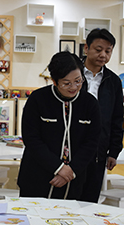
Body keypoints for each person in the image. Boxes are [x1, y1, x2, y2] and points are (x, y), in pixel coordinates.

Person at [18, 51, 101, 200]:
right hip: (38, 177)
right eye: (66, 83)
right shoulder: (38, 99)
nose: (74, 87)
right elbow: (31, 139)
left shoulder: (90, 103)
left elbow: (92, 142)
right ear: (54, 81)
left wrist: (71, 171)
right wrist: (58, 168)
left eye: (78, 81)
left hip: (75, 178)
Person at [79, 28, 124, 202]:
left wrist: (114, 151)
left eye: (108, 51)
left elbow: (117, 118)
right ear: (86, 48)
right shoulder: (73, 74)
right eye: (98, 50)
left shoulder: (113, 81)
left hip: (99, 148)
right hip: (72, 146)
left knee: (90, 197)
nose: (103, 55)